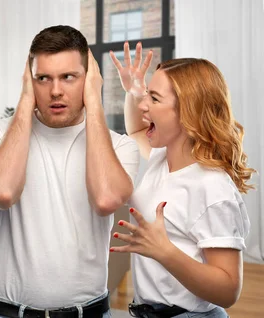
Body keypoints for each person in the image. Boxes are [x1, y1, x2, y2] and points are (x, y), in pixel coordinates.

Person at [0, 25, 140, 318]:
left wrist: (94, 102)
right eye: (43, 78)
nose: (56, 90)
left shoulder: (120, 146)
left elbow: (106, 199)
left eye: (68, 77)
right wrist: (26, 100)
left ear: (89, 80)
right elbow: (4, 192)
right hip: (5, 313)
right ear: (28, 80)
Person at [109, 42, 254, 318]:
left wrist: (165, 252)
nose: (143, 105)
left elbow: (228, 290)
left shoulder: (212, 187)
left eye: (154, 98)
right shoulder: (161, 158)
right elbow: (138, 128)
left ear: (188, 112)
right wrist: (134, 89)